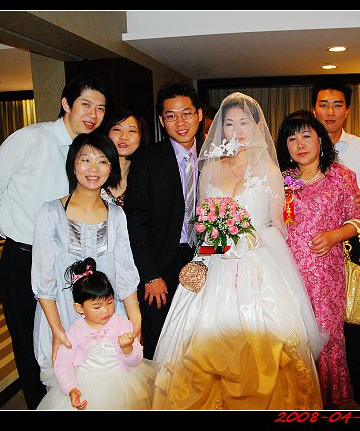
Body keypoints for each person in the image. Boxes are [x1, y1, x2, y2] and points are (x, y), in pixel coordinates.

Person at [151, 93, 325, 410]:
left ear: (256, 126)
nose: (237, 130)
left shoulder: (270, 171)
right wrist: (210, 251)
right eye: (229, 124)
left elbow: (277, 226)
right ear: (221, 129)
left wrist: (247, 241)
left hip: (257, 267)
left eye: (244, 122)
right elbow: (203, 226)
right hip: (215, 264)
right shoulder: (210, 170)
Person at [0, 75, 108, 409]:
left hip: (70, 261)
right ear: (66, 104)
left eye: (101, 108)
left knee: (71, 337)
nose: (93, 114)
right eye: (86, 104)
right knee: (30, 346)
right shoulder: (31, 139)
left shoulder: (88, 151)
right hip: (26, 258)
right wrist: (11, 229)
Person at [32, 132, 143, 392]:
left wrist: (136, 320)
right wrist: (57, 329)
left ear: (111, 168)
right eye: (86, 160)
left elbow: (126, 272)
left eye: (103, 161)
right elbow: (43, 280)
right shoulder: (51, 212)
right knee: (68, 388)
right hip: (62, 314)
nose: (94, 168)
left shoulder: (116, 215)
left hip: (107, 316)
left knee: (113, 389)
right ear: (73, 165)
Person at [276, 110, 360, 408]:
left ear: (320, 140)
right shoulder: (282, 181)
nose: (300, 144)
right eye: (292, 138)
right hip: (288, 273)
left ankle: (330, 401)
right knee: (293, 336)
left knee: (327, 338)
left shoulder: (341, 176)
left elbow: (359, 220)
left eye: (306, 136)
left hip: (326, 275)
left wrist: (335, 235)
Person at [125, 81, 203, 360]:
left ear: (199, 115)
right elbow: (136, 221)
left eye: (186, 113)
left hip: (204, 260)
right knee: (160, 341)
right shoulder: (147, 160)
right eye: (171, 116)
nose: (180, 123)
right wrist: (149, 274)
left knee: (198, 339)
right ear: (161, 120)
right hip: (160, 265)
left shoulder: (214, 158)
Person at [311, 78, 360, 407]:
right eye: (323, 105)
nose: (330, 112)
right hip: (314, 254)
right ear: (314, 109)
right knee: (313, 326)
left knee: (353, 329)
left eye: (337, 105)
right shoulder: (303, 147)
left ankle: (355, 397)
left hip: (354, 249)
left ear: (347, 110)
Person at [37, 257, 157, 410]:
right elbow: (63, 364)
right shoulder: (75, 331)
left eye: (109, 302)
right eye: (97, 307)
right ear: (79, 308)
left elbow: (135, 361)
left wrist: (127, 348)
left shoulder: (122, 324)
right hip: (86, 387)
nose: (106, 310)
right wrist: (71, 389)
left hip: (121, 385)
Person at [100, 108, 150, 207]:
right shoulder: (94, 172)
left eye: (132, 131)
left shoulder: (148, 178)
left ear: (141, 138)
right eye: (117, 129)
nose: (123, 136)